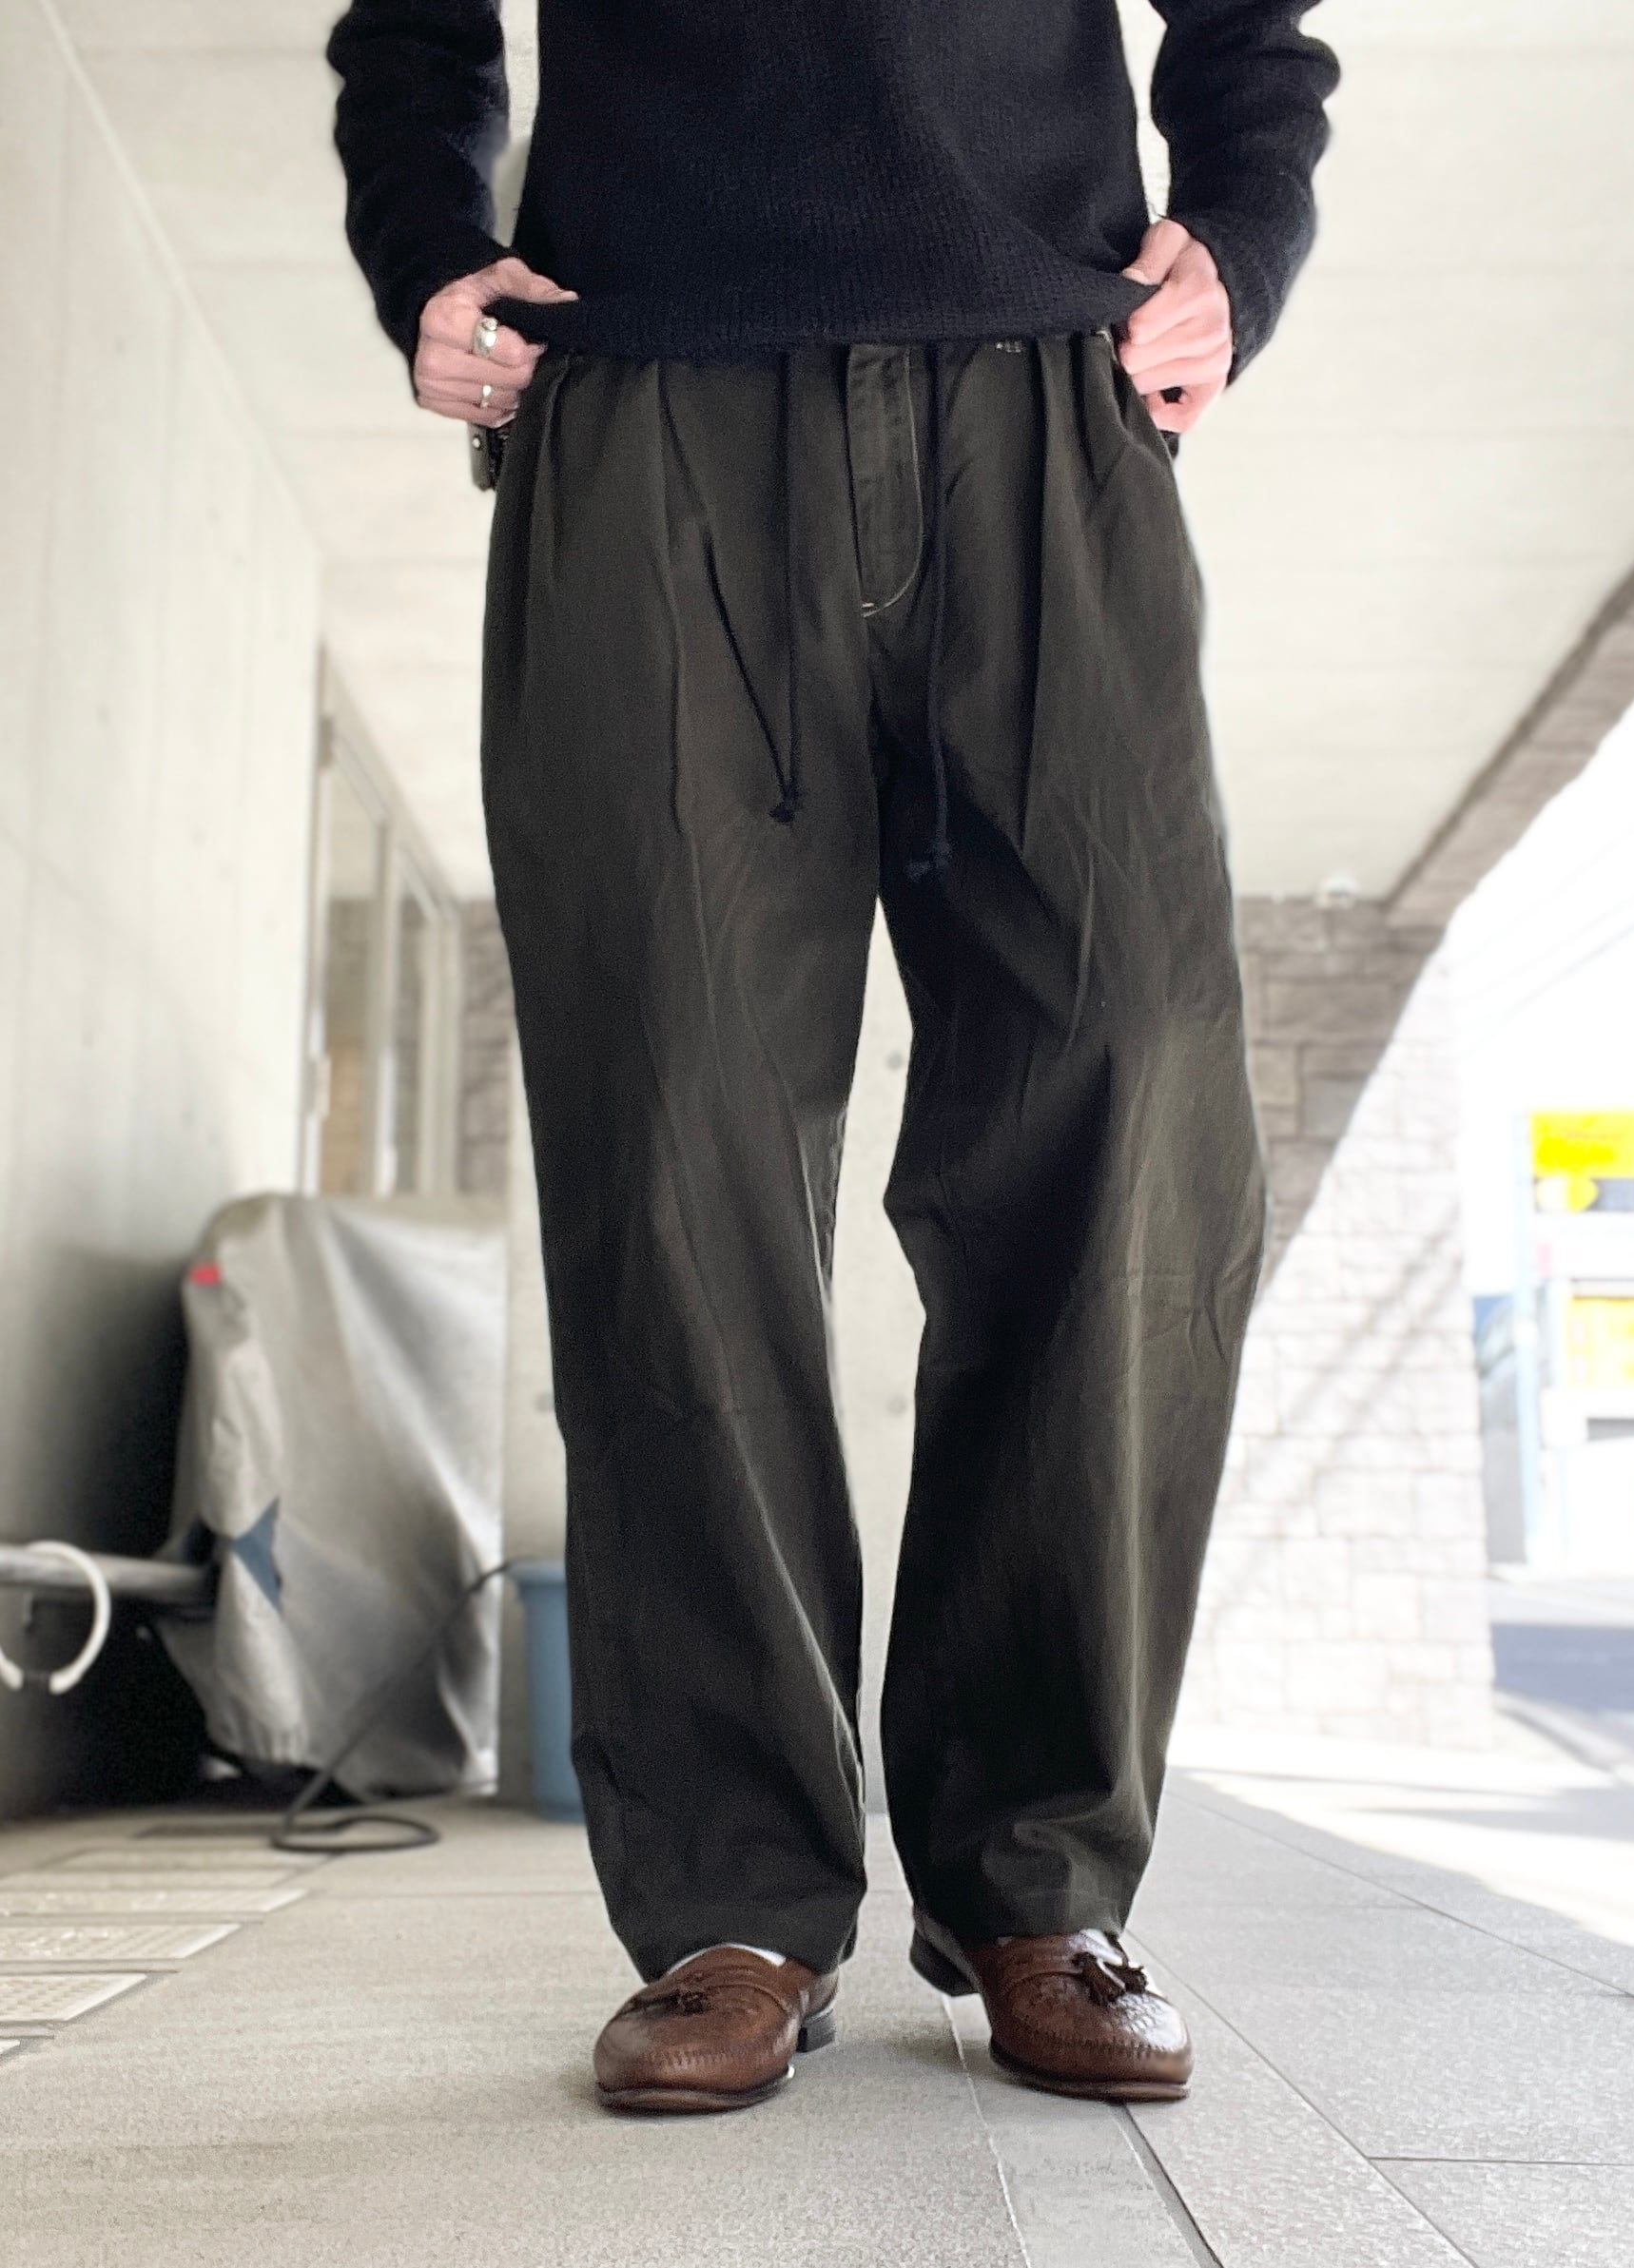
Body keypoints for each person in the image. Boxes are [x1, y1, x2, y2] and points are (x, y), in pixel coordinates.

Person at [326, 0, 1336, 2116]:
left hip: (1045, 387)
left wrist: (1245, 224)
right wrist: (420, 234)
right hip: (650, 391)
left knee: (1129, 1084)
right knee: (670, 1135)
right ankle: (732, 1900)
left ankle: (1034, 1871)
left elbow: (1254, 20)